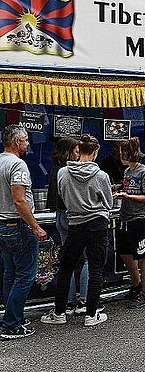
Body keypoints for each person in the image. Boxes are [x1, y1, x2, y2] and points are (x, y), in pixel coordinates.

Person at [42, 133, 112, 327]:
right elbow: (108, 203)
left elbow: (62, 197)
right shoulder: (101, 176)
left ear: (79, 150)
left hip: (74, 223)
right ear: (96, 152)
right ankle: (91, 314)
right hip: (97, 223)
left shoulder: (62, 173)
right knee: (95, 268)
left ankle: (59, 312)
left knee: (66, 268)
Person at [0, 125, 47, 340]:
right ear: (17, 142)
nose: (28, 144)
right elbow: (19, 199)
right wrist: (35, 226)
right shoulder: (17, 165)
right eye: (26, 140)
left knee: (10, 273)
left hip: (3, 224)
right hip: (18, 224)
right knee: (25, 276)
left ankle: (11, 315)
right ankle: (11, 324)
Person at [47, 137, 89, 315]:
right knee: (87, 257)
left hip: (60, 216)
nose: (78, 154)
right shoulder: (68, 171)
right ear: (69, 151)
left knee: (67, 260)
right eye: (76, 151)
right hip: (73, 217)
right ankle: (85, 300)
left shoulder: (55, 170)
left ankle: (69, 301)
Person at [113, 137, 145, 309]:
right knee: (125, 253)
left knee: (143, 256)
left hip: (140, 219)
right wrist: (118, 189)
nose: (119, 156)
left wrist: (127, 196)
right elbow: (129, 189)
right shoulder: (127, 172)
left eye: (122, 153)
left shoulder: (144, 172)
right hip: (125, 218)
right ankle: (136, 284)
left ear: (129, 155)